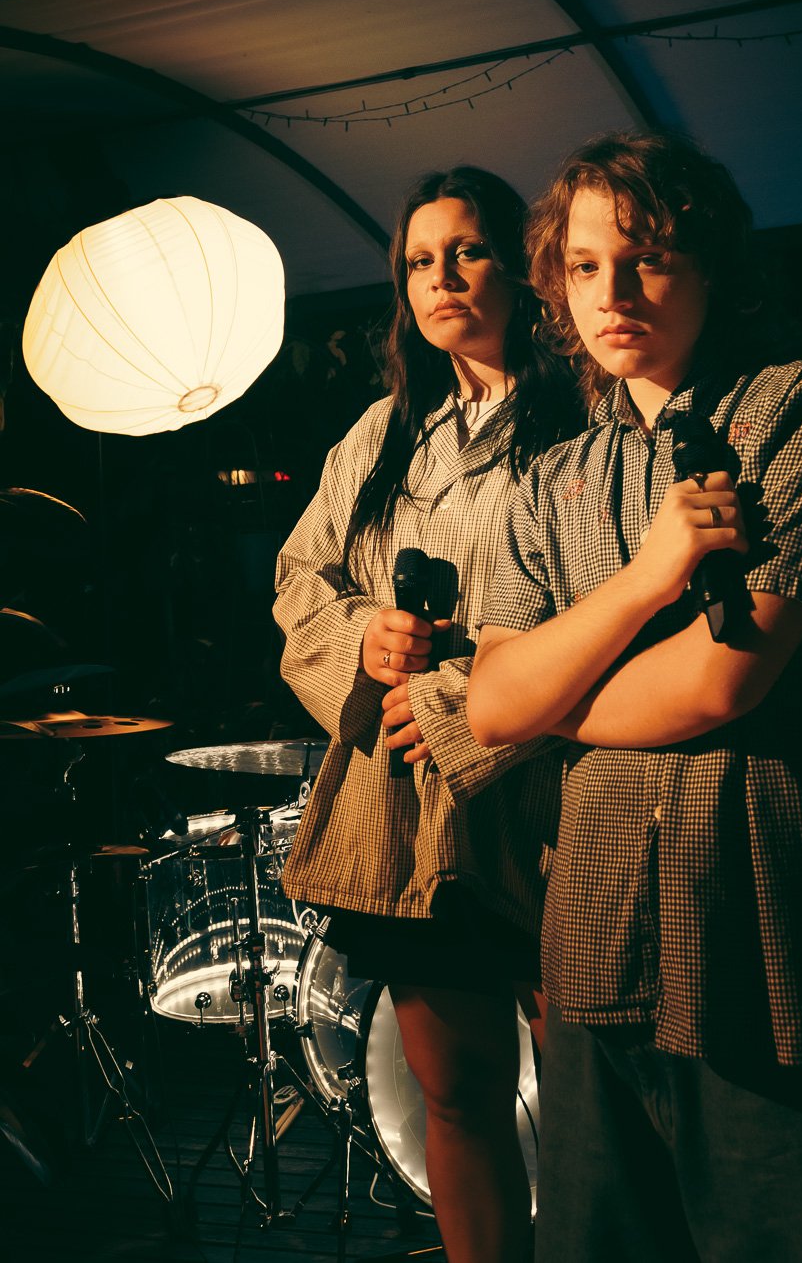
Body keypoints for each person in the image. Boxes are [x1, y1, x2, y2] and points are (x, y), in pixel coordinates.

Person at [467, 132, 802, 1262]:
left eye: (648, 256)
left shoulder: (797, 410)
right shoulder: (546, 478)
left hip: (769, 923)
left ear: (714, 266)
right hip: (597, 934)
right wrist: (646, 578)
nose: (612, 292)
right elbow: (488, 704)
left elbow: (722, 679)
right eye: (582, 267)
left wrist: (555, 693)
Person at [274, 166, 584, 1263]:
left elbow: (604, 602)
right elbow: (299, 577)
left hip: (550, 795)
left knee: (592, 1108)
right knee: (456, 1097)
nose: (442, 276)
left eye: (468, 250)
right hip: (409, 808)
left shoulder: (587, 417)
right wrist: (366, 636)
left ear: (524, 267)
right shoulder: (386, 434)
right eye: (419, 258)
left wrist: (463, 689)